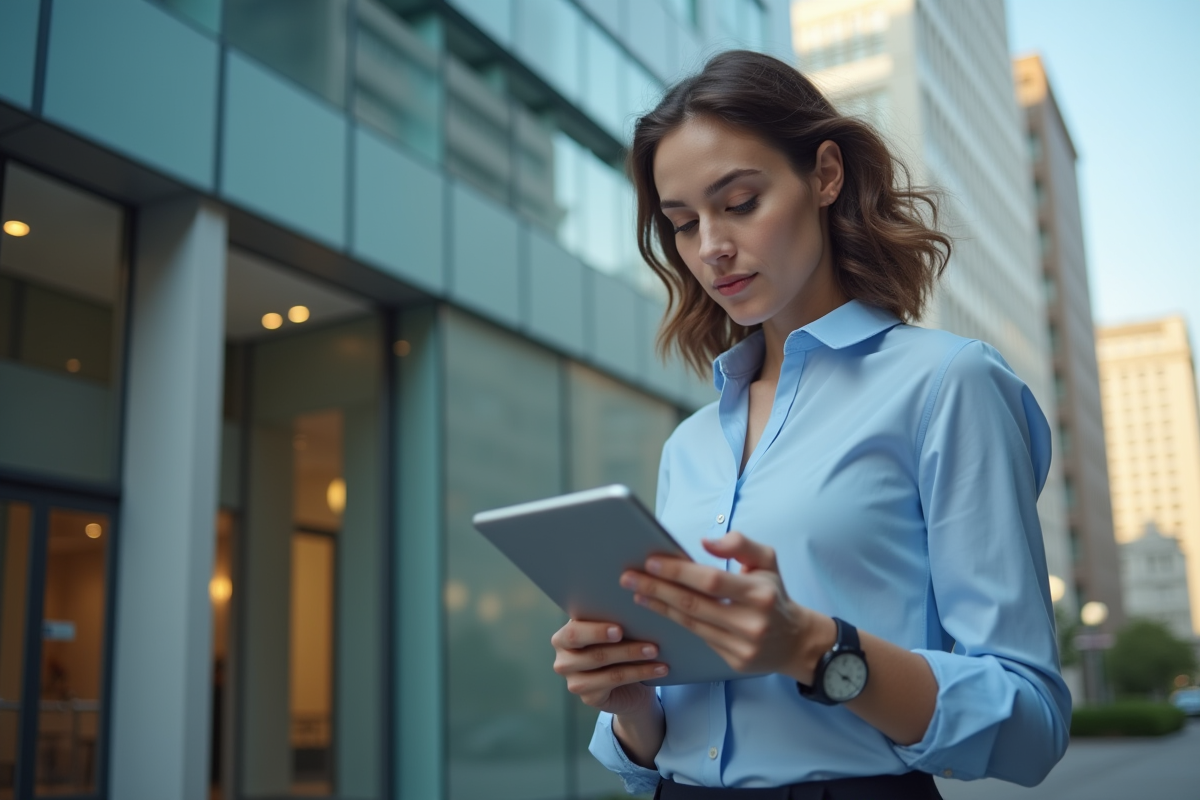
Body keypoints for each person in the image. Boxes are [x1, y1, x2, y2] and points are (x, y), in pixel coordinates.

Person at [549, 50, 1070, 798]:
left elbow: (1031, 724)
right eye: (684, 223)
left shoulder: (948, 384)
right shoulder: (689, 445)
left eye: (740, 202)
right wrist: (633, 700)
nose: (711, 248)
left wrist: (817, 648)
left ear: (825, 175)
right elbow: (670, 733)